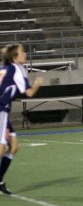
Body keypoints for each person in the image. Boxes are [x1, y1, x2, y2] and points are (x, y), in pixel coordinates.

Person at [0, 43, 44, 194]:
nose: (25, 54)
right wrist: (38, 84)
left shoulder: (6, 68)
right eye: (22, 52)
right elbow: (29, 93)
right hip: (0, 110)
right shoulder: (17, 69)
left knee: (13, 147)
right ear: (14, 57)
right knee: (1, 148)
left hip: (3, 109)